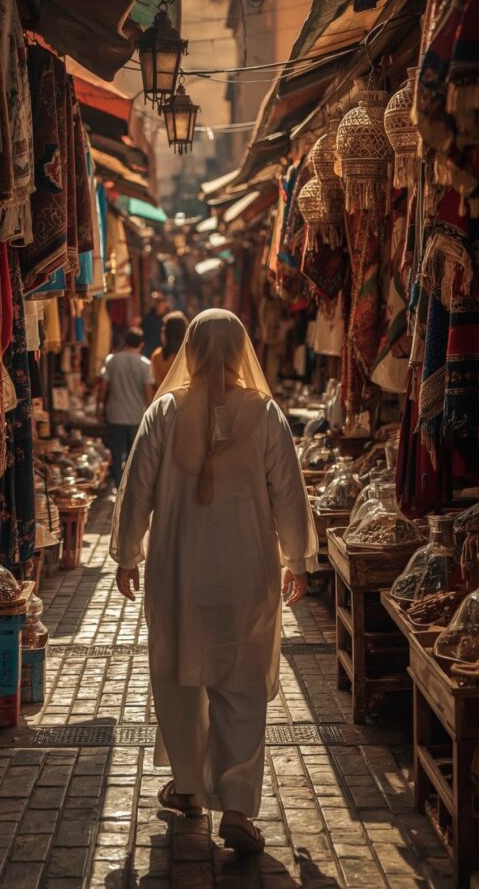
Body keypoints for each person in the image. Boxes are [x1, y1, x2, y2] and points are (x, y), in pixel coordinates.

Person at [110, 309, 317, 854]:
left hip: (178, 572)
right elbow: (290, 494)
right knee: (242, 684)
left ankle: (188, 786)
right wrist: (297, 559)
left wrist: (127, 555)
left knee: (181, 678)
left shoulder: (163, 412)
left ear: (193, 351)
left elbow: (136, 489)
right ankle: (237, 807)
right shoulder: (266, 413)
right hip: (246, 574)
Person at [99, 327, 155, 488]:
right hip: (136, 416)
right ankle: (131, 487)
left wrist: (100, 408)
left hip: (115, 414)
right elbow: (148, 393)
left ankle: (118, 487)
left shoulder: (112, 360)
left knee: (116, 454)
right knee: (135, 456)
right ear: (141, 344)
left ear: (125, 341)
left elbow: (103, 388)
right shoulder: (144, 364)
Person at [150, 311, 188, 388]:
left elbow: (154, 381)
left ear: (166, 332)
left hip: (161, 394)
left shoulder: (157, 355)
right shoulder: (189, 355)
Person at [141, 292, 170, 358]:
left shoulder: (167, 319)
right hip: (149, 349)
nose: (160, 308)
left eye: (162, 306)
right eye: (158, 306)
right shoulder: (148, 318)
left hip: (163, 351)